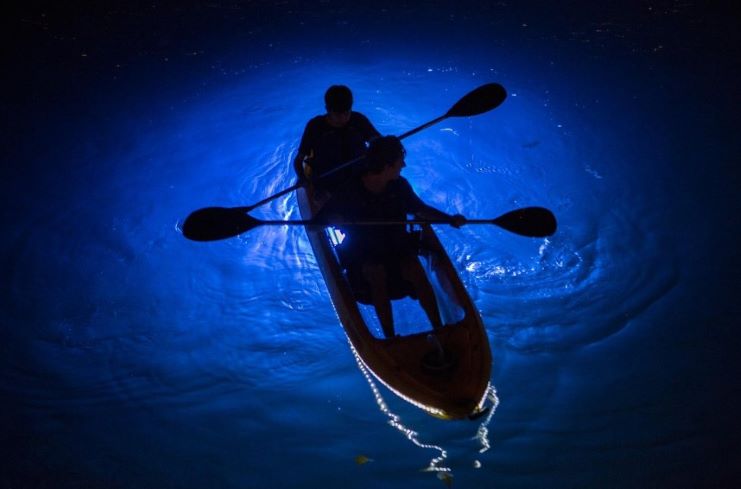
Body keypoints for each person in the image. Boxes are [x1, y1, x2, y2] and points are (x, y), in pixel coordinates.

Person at [316, 136, 466, 338]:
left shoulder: (400, 185)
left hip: (395, 246)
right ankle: (390, 338)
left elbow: (420, 210)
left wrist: (449, 219)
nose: (403, 165)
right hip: (363, 253)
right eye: (399, 162)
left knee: (413, 267)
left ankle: (439, 328)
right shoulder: (349, 191)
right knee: (376, 273)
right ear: (386, 166)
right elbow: (315, 226)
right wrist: (335, 218)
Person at [293, 85, 381, 194]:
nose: (344, 118)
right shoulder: (315, 127)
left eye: (347, 113)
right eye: (338, 115)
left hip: (360, 177)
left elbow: (379, 142)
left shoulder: (358, 120)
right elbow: (298, 161)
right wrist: (303, 178)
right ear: (328, 110)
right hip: (327, 183)